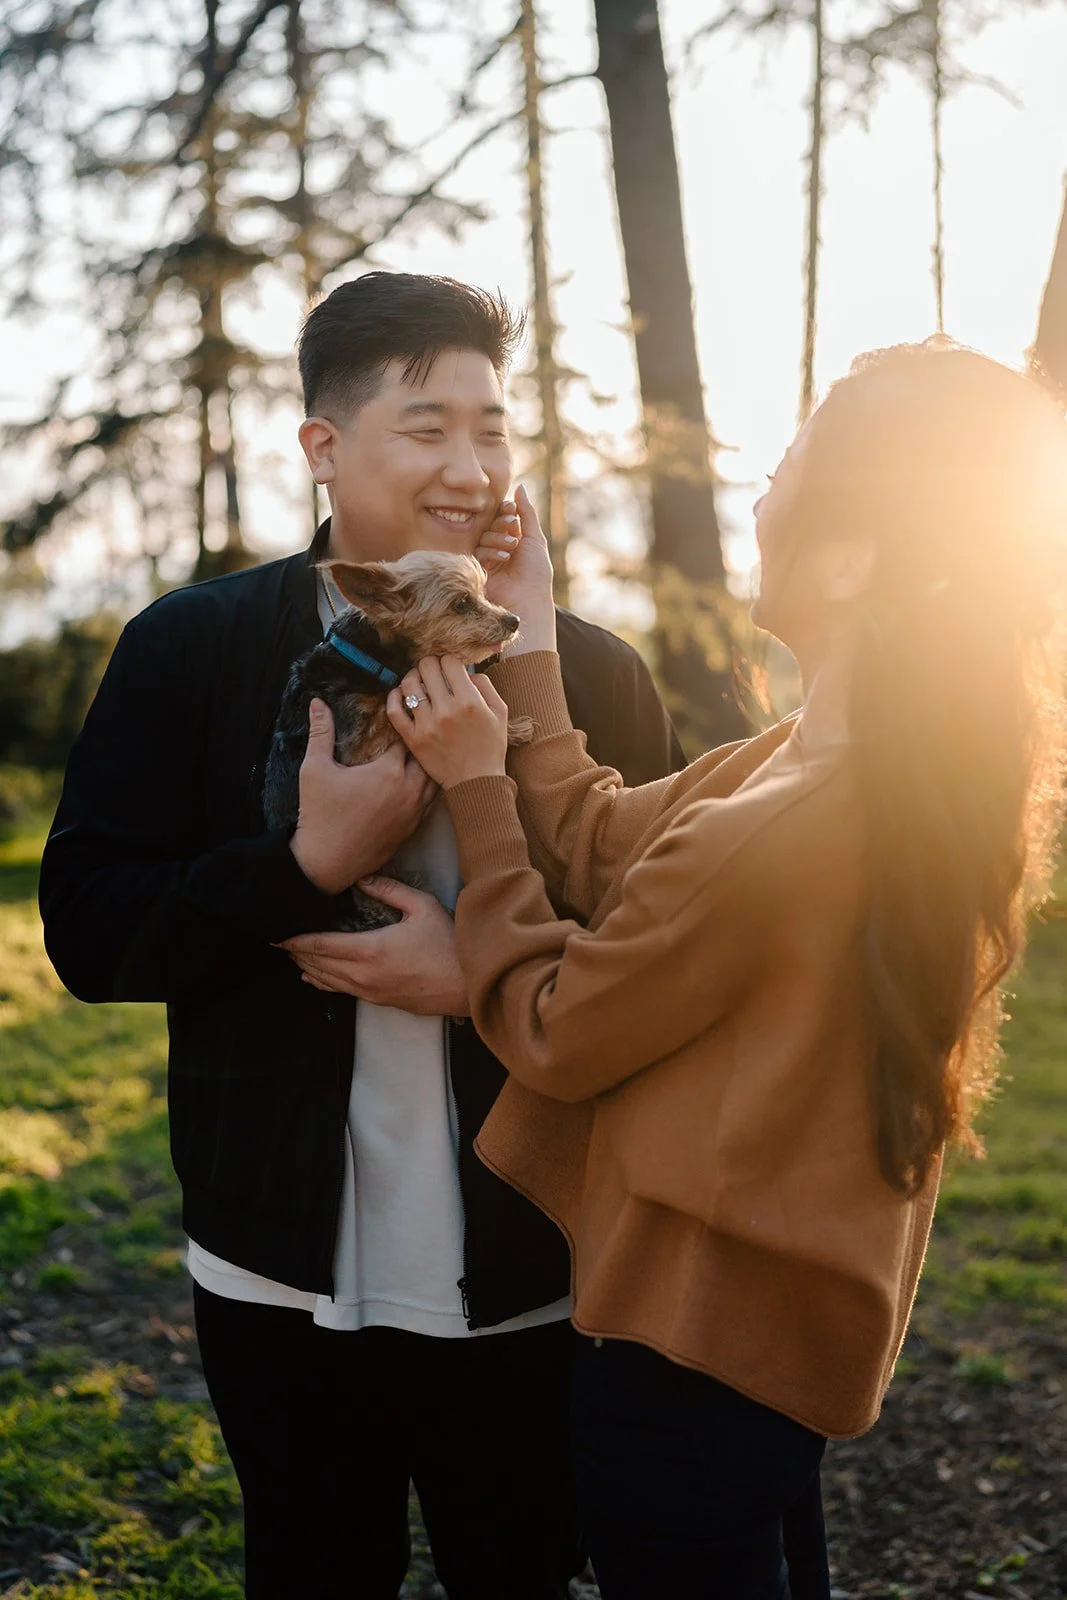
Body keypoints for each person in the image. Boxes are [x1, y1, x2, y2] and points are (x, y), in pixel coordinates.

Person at [373, 341, 1067, 1600]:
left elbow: (551, 1029)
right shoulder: (835, 766)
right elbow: (597, 842)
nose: (758, 494)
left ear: (851, 555)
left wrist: (472, 796)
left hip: (683, 1370)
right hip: (768, 1360)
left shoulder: (789, 821)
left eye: (789, 466)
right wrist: (527, 637)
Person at [38, 272, 684, 1600]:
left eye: (493, 427)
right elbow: (90, 937)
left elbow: (668, 966)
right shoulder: (191, 651)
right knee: (310, 1567)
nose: (473, 464)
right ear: (323, 449)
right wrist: (299, 867)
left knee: (519, 1573)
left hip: (530, 1274)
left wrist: (480, 986)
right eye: (426, 424)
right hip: (273, 1273)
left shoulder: (595, 674)